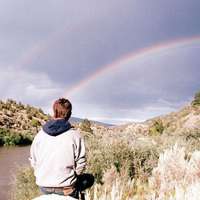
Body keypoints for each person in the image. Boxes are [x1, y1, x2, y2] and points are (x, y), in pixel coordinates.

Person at [30, 98, 94, 199]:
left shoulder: (39, 135)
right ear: (69, 114)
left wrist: (42, 174)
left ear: (54, 112)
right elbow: (81, 162)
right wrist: (74, 176)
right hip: (66, 188)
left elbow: (33, 161)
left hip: (44, 186)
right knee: (90, 178)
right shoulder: (75, 135)